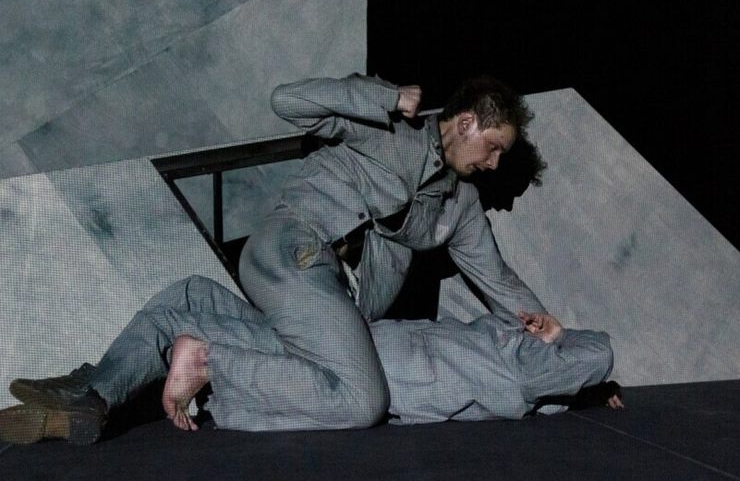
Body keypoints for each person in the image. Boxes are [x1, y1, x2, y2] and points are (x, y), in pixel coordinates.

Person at [229, 73, 553, 431]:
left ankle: (200, 319)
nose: (494, 163)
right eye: (493, 147)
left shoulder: (460, 204)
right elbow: (286, 101)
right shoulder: (386, 127)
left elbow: (497, 278)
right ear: (466, 123)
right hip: (294, 252)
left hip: (343, 303)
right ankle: (209, 365)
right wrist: (386, 96)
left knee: (310, 364)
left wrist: (552, 336)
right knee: (365, 402)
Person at [0, 275, 622, 445]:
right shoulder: (519, 365)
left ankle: (94, 395)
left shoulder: (510, 360)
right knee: (218, 337)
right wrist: (563, 335)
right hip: (388, 366)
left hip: (371, 342)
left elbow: (581, 374)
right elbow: (598, 353)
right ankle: (197, 362)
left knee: (190, 296)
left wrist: (584, 386)